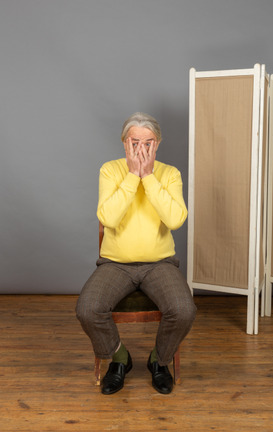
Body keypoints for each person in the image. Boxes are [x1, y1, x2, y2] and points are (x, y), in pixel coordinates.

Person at [76, 112, 197, 395]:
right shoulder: (110, 170)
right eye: (134, 143)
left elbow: (176, 219)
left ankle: (159, 360)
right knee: (87, 308)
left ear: (158, 144)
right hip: (115, 265)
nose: (141, 150)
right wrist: (132, 176)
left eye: (148, 143)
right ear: (124, 143)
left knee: (184, 310)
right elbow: (109, 216)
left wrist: (150, 178)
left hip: (160, 264)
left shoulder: (170, 173)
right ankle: (119, 359)